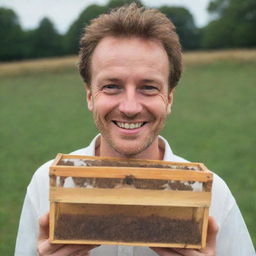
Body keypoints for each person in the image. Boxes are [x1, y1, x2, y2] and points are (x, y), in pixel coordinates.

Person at [15, 3, 255, 256]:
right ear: (89, 97)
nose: (129, 107)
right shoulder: (46, 183)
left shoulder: (214, 194)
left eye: (148, 87)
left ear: (169, 99)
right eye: (111, 86)